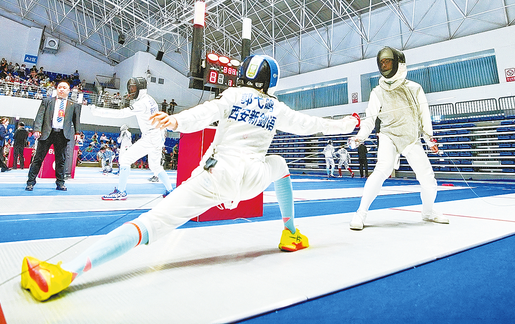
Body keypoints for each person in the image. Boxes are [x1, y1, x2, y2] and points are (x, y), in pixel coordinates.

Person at [19, 54, 358, 301]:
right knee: (279, 163)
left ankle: (67, 272)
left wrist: (176, 121)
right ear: (272, 81)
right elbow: (312, 125)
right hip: (253, 178)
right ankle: (290, 232)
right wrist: (349, 124)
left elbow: (205, 114)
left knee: (151, 224)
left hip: (218, 176)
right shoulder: (277, 107)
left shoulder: (233, 95)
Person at [348, 47, 448, 230]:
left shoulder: (414, 88)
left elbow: (424, 115)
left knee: (428, 178)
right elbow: (370, 119)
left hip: (411, 138)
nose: (384, 65)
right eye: (382, 62)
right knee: (381, 169)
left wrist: (429, 139)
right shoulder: (377, 92)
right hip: (389, 136)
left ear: (398, 63)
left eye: (387, 61)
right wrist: (360, 137)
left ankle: (428, 212)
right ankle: (360, 213)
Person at [97, 78, 174, 200]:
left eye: (133, 88)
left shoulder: (141, 103)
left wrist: (100, 112)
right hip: (157, 135)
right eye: (130, 88)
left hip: (151, 137)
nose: (130, 91)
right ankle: (170, 190)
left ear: (140, 89)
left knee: (125, 159)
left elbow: (122, 113)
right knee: (155, 167)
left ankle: (121, 191)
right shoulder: (149, 99)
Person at [26, 80, 81, 191]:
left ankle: (60, 183)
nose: (61, 89)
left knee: (61, 160)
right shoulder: (47, 101)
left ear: (69, 90)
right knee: (38, 159)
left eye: (64, 88)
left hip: (62, 134)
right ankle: (30, 182)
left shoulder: (73, 105)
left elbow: (76, 120)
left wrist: (77, 133)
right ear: (57, 89)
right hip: (47, 133)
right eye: (60, 87)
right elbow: (40, 116)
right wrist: (37, 129)